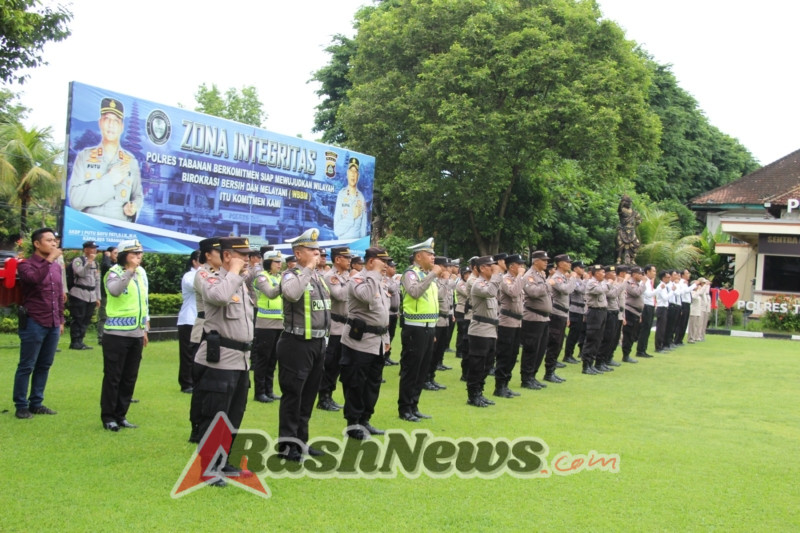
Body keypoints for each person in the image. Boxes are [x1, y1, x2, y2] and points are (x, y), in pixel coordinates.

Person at [276, 228, 331, 461]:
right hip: (296, 343)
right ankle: (287, 445)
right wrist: (308, 269)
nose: (317, 253)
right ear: (299, 254)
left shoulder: (318, 277)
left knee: (308, 395)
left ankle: (302, 441)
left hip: (317, 343)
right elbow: (291, 294)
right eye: (312, 250)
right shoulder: (291, 275)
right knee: (293, 395)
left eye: (317, 250)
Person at [340, 247, 392, 439]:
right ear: (371, 262)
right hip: (358, 343)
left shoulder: (380, 282)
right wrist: (373, 274)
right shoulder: (358, 280)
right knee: (355, 383)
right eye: (382, 262)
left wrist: (386, 339)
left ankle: (365, 420)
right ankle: (353, 424)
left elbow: (383, 314)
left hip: (377, 342)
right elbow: (368, 297)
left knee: (372, 384)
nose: (386, 265)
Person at [13, 227, 64, 419]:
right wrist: (50, 259)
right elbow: (33, 279)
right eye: (49, 240)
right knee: (27, 365)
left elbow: (58, 295)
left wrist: (60, 319)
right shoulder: (26, 265)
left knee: (44, 364)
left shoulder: (56, 267)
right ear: (37, 243)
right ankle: (21, 405)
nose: (53, 244)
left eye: (54, 241)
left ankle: (36, 402)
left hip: (52, 322)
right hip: (34, 320)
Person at [68, 98, 143, 222]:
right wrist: (109, 180)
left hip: (117, 235)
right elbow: (75, 200)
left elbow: (137, 196)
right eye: (107, 119)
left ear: (122, 127)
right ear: (100, 123)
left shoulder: (131, 162)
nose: (111, 125)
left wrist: (133, 208)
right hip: (87, 231)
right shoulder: (84, 157)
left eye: (116, 121)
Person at [101, 239, 149, 431]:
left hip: (136, 333)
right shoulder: (114, 273)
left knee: (129, 377)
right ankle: (108, 416)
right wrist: (129, 271)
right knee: (114, 376)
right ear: (123, 256)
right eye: (133, 254)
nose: (138, 258)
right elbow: (115, 291)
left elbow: (143, 302)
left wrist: (144, 329)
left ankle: (121, 415)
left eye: (140, 254)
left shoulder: (140, 274)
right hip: (116, 334)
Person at [398, 237, 441, 422]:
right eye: (429, 254)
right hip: (414, 329)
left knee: (422, 370)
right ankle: (405, 408)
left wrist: (432, 329)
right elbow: (414, 293)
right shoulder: (411, 274)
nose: (433, 257)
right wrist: (432, 275)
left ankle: (414, 405)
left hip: (428, 328)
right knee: (411, 370)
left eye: (433, 254)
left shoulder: (426, 274)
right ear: (418, 256)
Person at [317, 246, 352, 411]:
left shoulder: (344, 276)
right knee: (330, 363)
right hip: (334, 326)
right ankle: (323, 397)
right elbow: (339, 295)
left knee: (338, 364)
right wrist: (352, 281)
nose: (350, 261)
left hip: (345, 326)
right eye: (347, 258)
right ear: (337, 259)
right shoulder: (330, 276)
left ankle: (329, 395)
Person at [466, 256, 503, 407]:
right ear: (482, 268)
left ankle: (480, 392)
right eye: (490, 266)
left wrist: (495, 276)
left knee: (487, 364)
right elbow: (490, 292)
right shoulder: (477, 284)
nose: (493, 268)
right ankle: (472, 395)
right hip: (480, 330)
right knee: (477, 364)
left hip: (491, 330)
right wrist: (496, 275)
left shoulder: (489, 283)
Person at [252, 250, 285, 403]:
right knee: (263, 359)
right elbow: (270, 293)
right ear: (268, 263)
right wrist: (286, 284)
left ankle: (269, 390)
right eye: (276, 262)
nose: (280, 264)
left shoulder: (279, 277)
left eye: (280, 262)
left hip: (279, 323)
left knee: (273, 359)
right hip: (265, 323)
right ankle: (259, 392)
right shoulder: (261, 277)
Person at [494, 254, 525, 398]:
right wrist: (520, 277)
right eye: (519, 265)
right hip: (507, 321)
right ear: (512, 266)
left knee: (513, 355)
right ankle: (499, 386)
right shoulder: (505, 279)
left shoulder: (517, 279)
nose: (522, 267)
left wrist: (519, 277)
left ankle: (506, 384)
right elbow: (513, 292)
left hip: (517, 322)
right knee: (504, 354)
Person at [520, 251, 552, 390]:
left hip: (543, 317)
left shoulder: (540, 275)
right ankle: (526, 378)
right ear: (535, 261)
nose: (546, 262)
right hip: (533, 317)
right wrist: (548, 284)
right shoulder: (529, 276)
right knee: (531, 348)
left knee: (540, 348)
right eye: (543, 260)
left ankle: (533, 375)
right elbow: (533, 293)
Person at [544, 254, 576, 383]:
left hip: (562, 313)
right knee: (554, 343)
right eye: (567, 262)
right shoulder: (556, 277)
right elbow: (566, 290)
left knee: (558, 344)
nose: (569, 264)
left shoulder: (563, 277)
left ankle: (552, 371)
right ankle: (548, 372)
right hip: (556, 314)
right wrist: (573, 278)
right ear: (560, 264)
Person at [425, 256, 452, 391]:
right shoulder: (434, 281)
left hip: (445, 320)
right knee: (432, 351)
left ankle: (431, 377)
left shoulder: (444, 281)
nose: (447, 270)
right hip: (436, 320)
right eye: (445, 267)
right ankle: (426, 378)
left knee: (439, 351)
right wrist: (446, 280)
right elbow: (439, 296)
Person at [68, 241, 101, 350]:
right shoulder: (78, 261)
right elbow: (80, 273)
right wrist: (89, 262)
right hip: (79, 293)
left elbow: (97, 281)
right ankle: (74, 341)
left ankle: (81, 341)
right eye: (92, 248)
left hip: (91, 295)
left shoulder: (96, 264)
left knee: (86, 319)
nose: (94, 250)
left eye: (95, 248)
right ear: (86, 249)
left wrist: (97, 297)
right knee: (78, 318)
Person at [177, 250, 200, 394]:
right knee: (187, 353)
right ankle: (186, 383)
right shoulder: (189, 275)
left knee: (198, 352)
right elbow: (196, 286)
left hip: (199, 319)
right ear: (194, 261)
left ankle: (195, 380)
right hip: (188, 319)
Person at [581, 265, 609, 375]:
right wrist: (610, 283)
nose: (604, 274)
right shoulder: (592, 283)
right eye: (602, 272)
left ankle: (591, 364)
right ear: (596, 273)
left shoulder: (601, 282)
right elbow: (600, 290)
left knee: (598, 339)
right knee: (592, 339)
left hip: (602, 312)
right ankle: (586, 365)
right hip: (594, 312)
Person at [333, 157, 368, 239]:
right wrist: (352, 216)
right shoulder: (341, 195)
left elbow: (363, 228)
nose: (353, 174)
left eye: (355, 172)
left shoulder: (361, 197)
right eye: (351, 171)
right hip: (342, 247)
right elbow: (337, 231)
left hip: (357, 248)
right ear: (347, 173)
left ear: (358, 176)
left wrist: (362, 248)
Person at [562, 260, 587, 364]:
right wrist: (586, 280)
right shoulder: (574, 280)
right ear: (575, 269)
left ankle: (570, 354)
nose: (583, 270)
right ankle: (568, 355)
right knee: (573, 334)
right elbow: (580, 290)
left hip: (580, 309)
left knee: (577, 333)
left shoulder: (579, 280)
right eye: (581, 268)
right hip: (574, 309)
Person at [621, 266, 646, 363]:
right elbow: (637, 293)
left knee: (632, 334)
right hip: (630, 311)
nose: (641, 276)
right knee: (628, 334)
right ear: (634, 274)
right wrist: (643, 283)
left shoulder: (637, 283)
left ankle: (627, 354)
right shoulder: (630, 283)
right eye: (640, 274)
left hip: (636, 312)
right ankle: (626, 355)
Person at [635, 264, 657, 358]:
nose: (655, 273)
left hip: (650, 306)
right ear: (647, 272)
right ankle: (640, 350)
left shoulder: (649, 282)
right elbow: (648, 294)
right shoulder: (644, 281)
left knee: (647, 329)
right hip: (646, 306)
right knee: (645, 328)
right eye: (653, 271)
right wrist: (659, 289)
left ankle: (643, 349)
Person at [97, 246, 117, 345]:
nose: (117, 255)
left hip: (114, 295)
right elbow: (107, 267)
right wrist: (106, 257)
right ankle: (101, 337)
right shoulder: (107, 264)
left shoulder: (116, 264)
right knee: (103, 316)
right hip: (105, 294)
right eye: (115, 253)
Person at [384, 259, 401, 366]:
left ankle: (388, 356)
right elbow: (391, 289)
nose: (394, 269)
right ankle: (384, 356)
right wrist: (398, 281)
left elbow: (397, 296)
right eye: (392, 267)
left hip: (394, 312)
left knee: (392, 336)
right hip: (388, 313)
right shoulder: (385, 280)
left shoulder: (393, 280)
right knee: (386, 336)